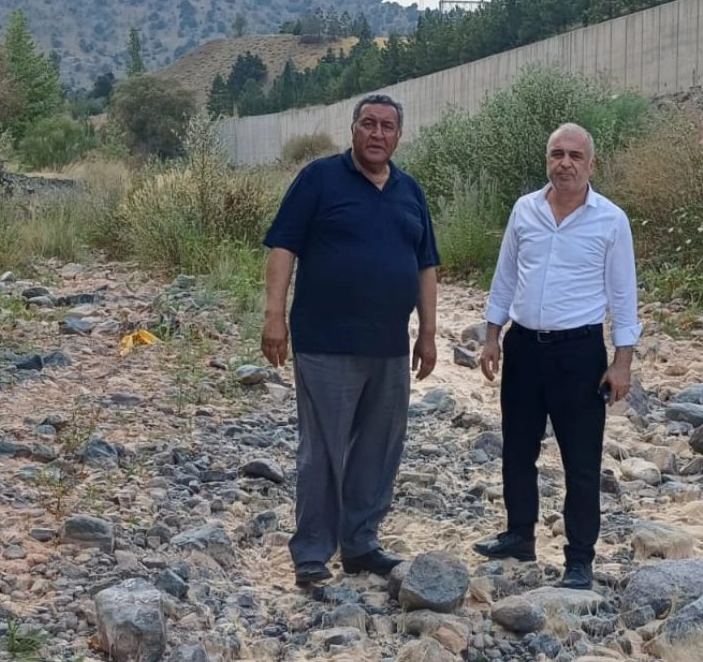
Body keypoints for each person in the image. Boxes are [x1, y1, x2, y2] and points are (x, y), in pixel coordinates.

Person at [260, 94, 441, 587]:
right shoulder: (319, 179)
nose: (377, 133)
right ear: (353, 129)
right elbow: (283, 248)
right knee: (322, 450)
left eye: (387, 126)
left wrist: (427, 333)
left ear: (399, 135)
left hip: (390, 345)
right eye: (368, 124)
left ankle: (361, 544)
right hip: (325, 342)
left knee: (379, 449)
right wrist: (274, 316)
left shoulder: (410, 191)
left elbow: (426, 265)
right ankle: (312, 552)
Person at [470, 122, 639, 590]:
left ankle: (580, 559)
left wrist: (622, 362)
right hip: (523, 347)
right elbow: (505, 277)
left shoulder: (611, 220)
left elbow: (624, 296)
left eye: (575, 156)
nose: (565, 163)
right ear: (547, 159)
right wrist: (492, 336)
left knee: (580, 461)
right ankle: (519, 534)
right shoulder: (525, 209)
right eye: (557, 154)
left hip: (579, 354)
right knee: (517, 448)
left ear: (591, 165)